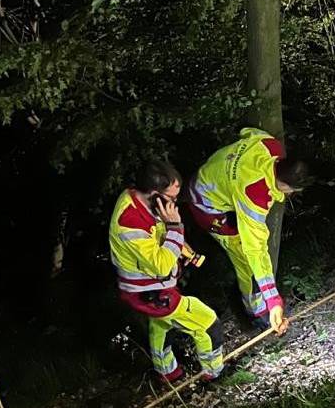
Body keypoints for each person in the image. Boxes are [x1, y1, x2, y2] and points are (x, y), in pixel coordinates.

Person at [109, 160, 225, 382]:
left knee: (161, 328)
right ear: (154, 194)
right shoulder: (129, 222)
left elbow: (158, 235)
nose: (174, 205)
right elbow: (161, 264)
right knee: (208, 323)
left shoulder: (140, 201)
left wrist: (188, 253)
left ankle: (168, 374)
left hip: (149, 290)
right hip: (149, 293)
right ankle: (215, 374)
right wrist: (175, 227)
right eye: (171, 199)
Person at [187, 127, 310, 333]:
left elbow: (246, 132)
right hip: (206, 206)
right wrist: (273, 300)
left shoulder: (270, 145)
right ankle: (258, 312)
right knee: (245, 260)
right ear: (286, 186)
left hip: (208, 177)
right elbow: (255, 249)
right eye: (294, 191)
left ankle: (262, 304)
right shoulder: (254, 195)